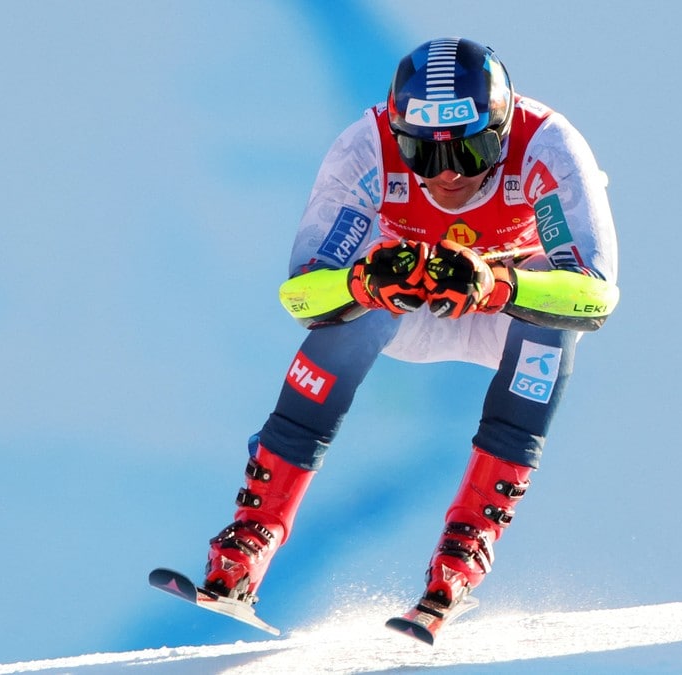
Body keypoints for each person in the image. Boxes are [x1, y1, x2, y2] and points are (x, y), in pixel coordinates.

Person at [202, 37, 620, 621]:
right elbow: (301, 294)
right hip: (409, 308)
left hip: (506, 309)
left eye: (470, 152)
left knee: (550, 330)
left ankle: (465, 547)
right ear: (397, 134)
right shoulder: (364, 148)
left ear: (501, 132)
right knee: (355, 305)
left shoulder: (548, 145)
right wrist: (360, 284)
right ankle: (252, 535)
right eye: (422, 155)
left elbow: (595, 296)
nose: (447, 176)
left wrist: (501, 284)